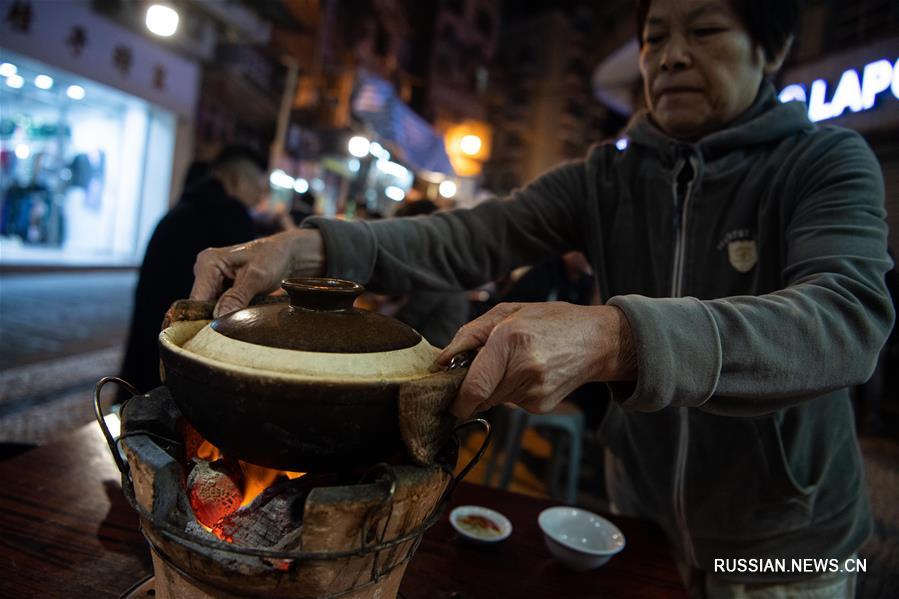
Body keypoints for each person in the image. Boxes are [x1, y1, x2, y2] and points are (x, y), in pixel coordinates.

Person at [188, 0, 894, 595]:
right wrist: (308, 248)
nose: (669, 56)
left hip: (790, 534)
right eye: (654, 37)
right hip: (637, 511)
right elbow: (468, 236)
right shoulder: (606, 177)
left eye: (704, 30)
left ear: (770, 49)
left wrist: (616, 336)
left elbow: (846, 319)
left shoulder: (824, 162)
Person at [119, 145, 267, 397]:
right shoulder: (231, 213)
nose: (259, 198)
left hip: (149, 341)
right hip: (182, 351)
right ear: (235, 180)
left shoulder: (181, 209)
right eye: (257, 189)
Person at [390, 199, 470, 347]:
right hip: (431, 346)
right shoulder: (443, 260)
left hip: (434, 353)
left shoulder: (438, 268)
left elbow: (406, 319)